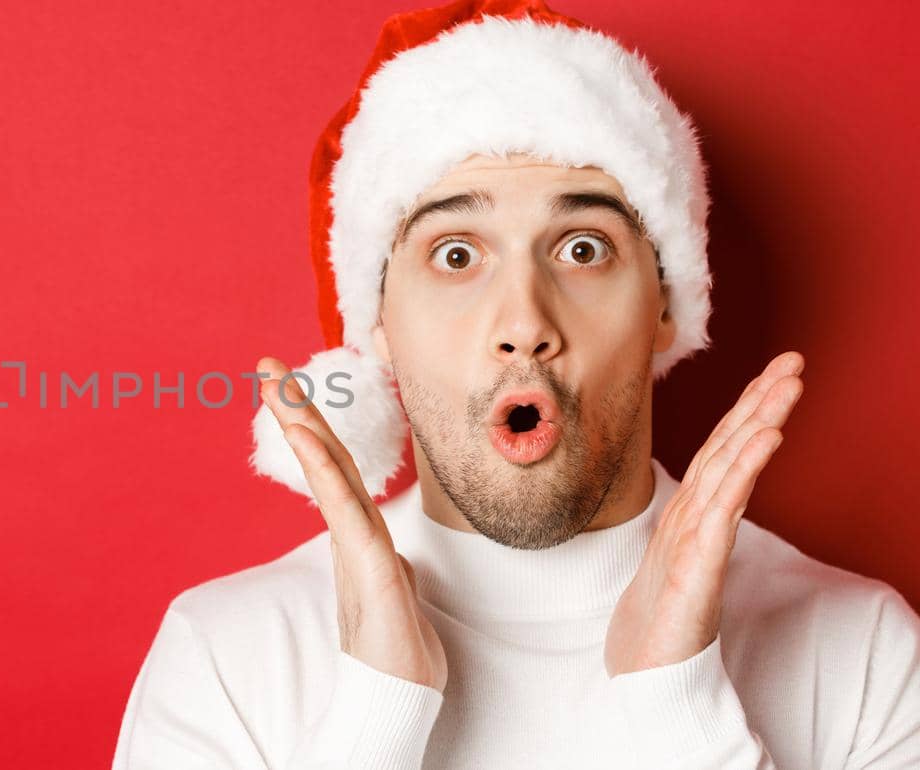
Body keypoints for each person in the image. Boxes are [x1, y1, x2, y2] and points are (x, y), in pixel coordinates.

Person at [111, 1, 920, 768]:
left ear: (667, 304)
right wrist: (375, 716)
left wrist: (678, 707)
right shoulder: (227, 657)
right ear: (379, 325)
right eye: (457, 254)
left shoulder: (863, 651)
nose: (523, 322)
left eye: (581, 249)